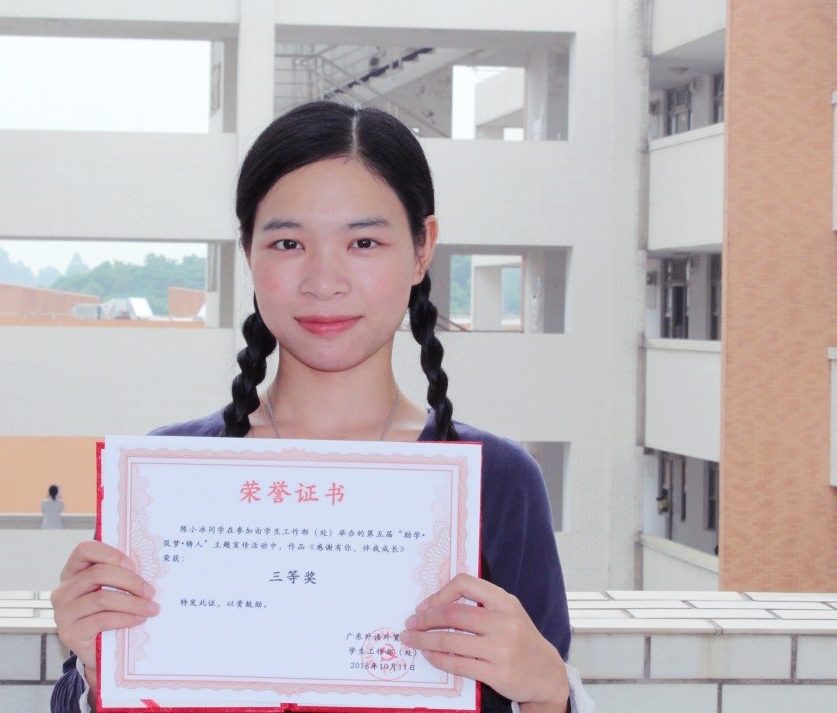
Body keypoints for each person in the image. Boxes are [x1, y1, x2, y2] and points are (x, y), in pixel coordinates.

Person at [50, 101, 591, 713]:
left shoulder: (501, 481)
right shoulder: (164, 481)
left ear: (422, 249)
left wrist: (548, 692)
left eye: (364, 241)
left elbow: (541, 689)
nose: (324, 280)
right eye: (288, 242)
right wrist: (94, 666)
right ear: (248, 252)